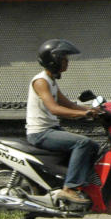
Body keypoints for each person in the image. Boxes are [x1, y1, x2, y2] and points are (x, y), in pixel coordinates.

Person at [26, 39, 100, 205]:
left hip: (52, 129)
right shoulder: (41, 81)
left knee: (94, 146)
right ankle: (69, 189)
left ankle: (80, 185)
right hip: (40, 133)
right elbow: (55, 109)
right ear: (54, 60)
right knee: (82, 143)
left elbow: (69, 104)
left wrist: (93, 110)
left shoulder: (51, 81)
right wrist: (83, 114)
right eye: (64, 59)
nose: (67, 62)